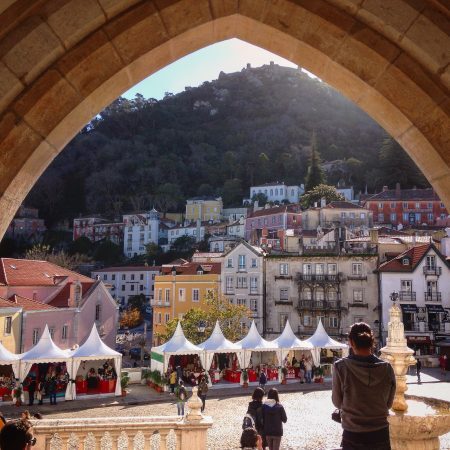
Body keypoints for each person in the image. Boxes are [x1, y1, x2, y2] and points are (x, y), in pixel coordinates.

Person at [332, 322, 396, 450]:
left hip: (353, 434)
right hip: (380, 434)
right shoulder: (387, 368)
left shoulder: (340, 367)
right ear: (372, 341)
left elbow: (337, 402)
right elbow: (388, 404)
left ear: (351, 342)